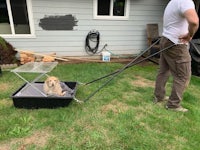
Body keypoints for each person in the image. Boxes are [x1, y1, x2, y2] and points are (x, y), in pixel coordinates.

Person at [154, 0, 199, 112]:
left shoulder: (174, 1)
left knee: (163, 70)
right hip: (177, 43)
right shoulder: (186, 1)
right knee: (183, 75)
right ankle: (173, 105)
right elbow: (194, 21)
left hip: (166, 39)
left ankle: (159, 96)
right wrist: (190, 35)